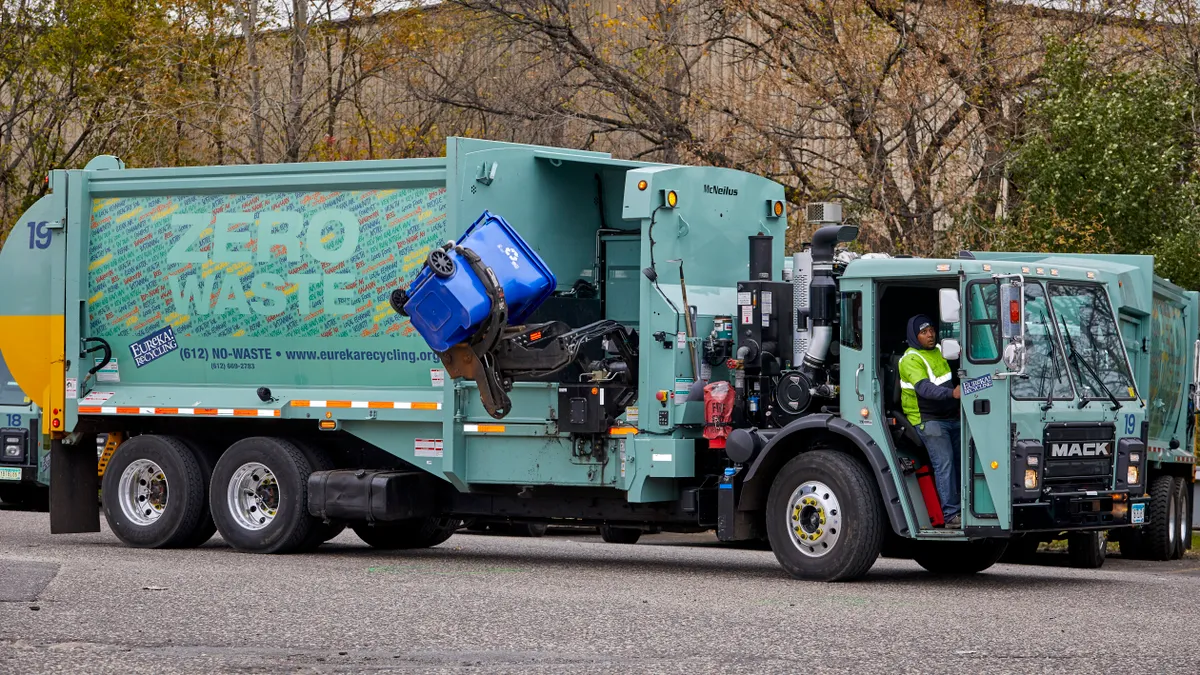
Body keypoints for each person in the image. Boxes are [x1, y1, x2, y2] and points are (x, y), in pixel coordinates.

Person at [899, 314, 962, 528]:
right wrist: (952, 394)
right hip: (928, 420)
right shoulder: (910, 358)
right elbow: (925, 389)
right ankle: (951, 515)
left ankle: (965, 508)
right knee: (944, 464)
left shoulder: (938, 352)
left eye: (932, 330)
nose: (930, 335)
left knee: (963, 461)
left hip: (950, 417)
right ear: (915, 336)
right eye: (924, 332)